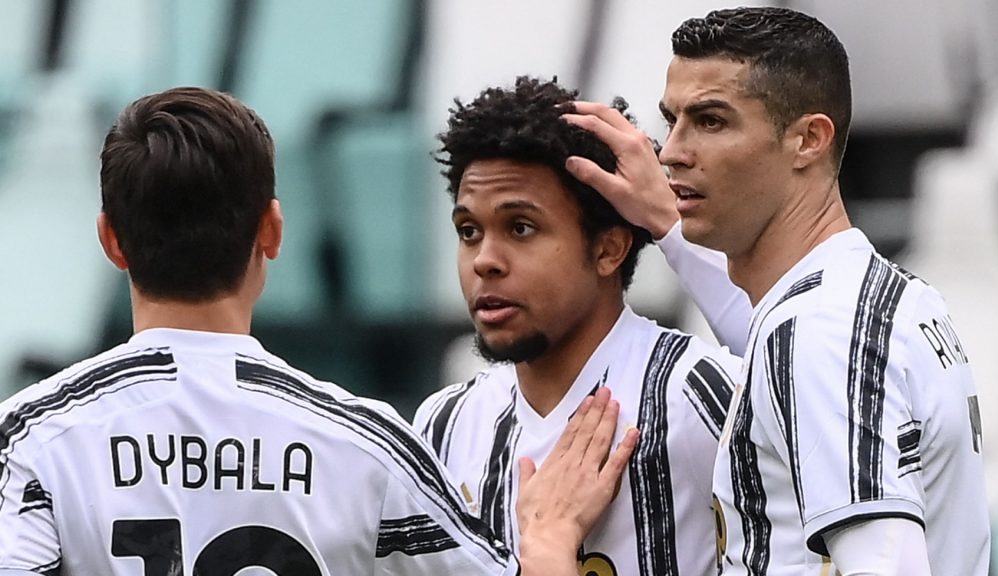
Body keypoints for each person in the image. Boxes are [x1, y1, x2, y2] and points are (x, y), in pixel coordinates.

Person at [0, 86, 637, 576]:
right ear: (272, 231)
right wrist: (548, 538)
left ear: (111, 240)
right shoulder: (368, 444)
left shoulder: (31, 437)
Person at [561, 7, 991, 575]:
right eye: (672, 120)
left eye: (710, 121)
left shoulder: (818, 330)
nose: (671, 152)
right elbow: (774, 346)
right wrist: (669, 224)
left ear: (809, 139)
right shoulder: (877, 297)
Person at [414, 76, 739, 576]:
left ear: (608, 249)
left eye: (520, 227)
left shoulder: (697, 393)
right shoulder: (443, 426)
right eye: (469, 231)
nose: (484, 260)